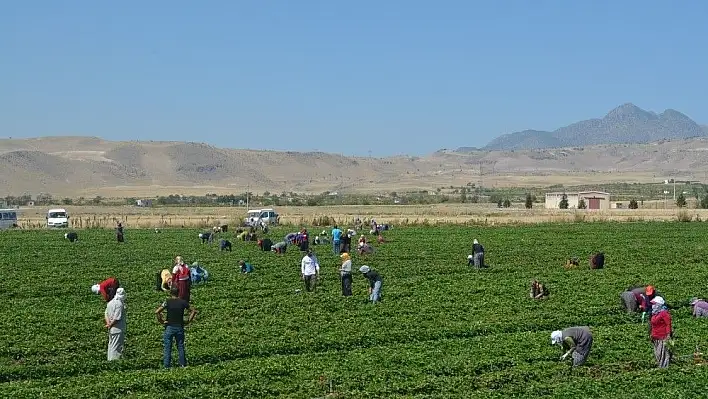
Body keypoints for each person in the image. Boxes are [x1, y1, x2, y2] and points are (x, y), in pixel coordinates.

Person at [155, 286, 198, 368]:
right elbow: (193, 311)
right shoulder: (183, 302)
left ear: (170, 293)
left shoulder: (167, 302)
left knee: (168, 347)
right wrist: (188, 321)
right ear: (178, 293)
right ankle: (183, 365)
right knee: (180, 346)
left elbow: (157, 312)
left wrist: (162, 321)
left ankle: (166, 366)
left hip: (169, 327)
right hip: (179, 327)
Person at [649, 296, 672, 368]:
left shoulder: (664, 313)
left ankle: (664, 368)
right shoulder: (654, 314)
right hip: (655, 337)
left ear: (659, 305)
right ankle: (661, 367)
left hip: (662, 337)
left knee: (662, 354)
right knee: (657, 354)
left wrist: (668, 335)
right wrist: (651, 334)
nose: (653, 306)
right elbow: (653, 326)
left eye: (654, 304)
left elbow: (668, 324)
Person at [104, 287, 126, 361]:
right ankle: (114, 362)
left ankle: (109, 360)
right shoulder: (119, 304)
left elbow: (106, 314)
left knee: (111, 346)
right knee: (116, 347)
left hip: (111, 329)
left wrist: (108, 324)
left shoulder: (110, 302)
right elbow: (117, 318)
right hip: (117, 329)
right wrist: (110, 324)